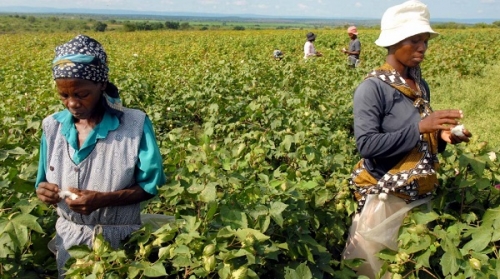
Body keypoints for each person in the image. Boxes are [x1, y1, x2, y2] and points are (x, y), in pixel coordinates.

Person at [341, 1, 472, 278]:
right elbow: (366, 145)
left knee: (410, 267)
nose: (422, 47)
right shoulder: (372, 88)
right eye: (414, 40)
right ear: (394, 41)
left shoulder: (419, 84)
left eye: (424, 41)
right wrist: (421, 127)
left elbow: (421, 135)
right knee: (378, 269)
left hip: (419, 193)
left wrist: (444, 136)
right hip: (386, 198)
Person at [34, 34, 166, 278]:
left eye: (81, 94)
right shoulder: (51, 127)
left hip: (121, 242)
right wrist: (45, 192)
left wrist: (103, 199)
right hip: (69, 241)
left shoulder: (135, 124)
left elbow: (151, 185)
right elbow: (42, 183)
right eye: (64, 96)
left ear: (102, 85)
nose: (72, 103)